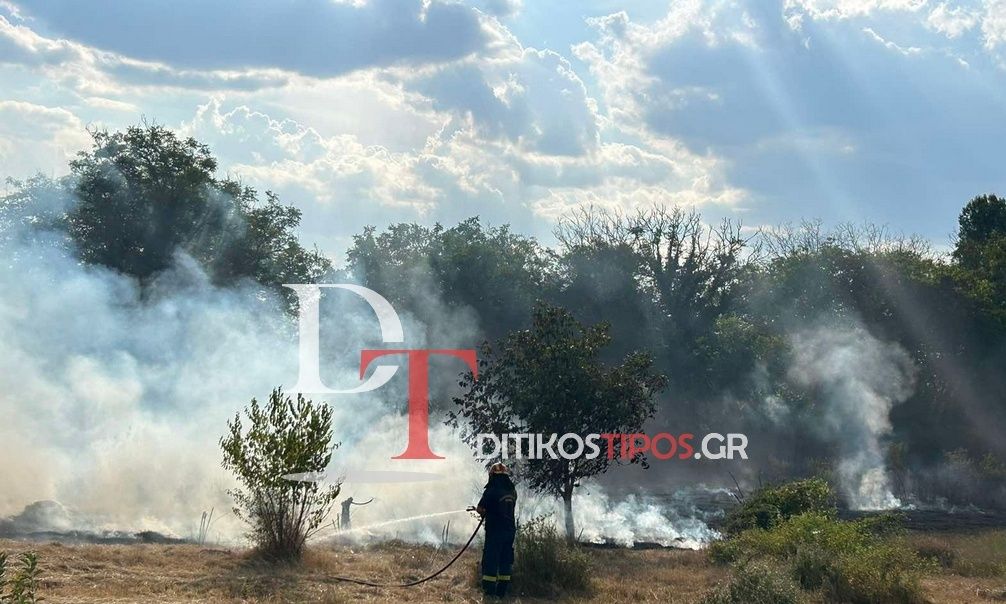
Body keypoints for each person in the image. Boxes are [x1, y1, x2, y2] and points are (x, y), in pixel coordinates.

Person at [475, 463, 517, 598]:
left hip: (495, 531)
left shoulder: (491, 489)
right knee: (505, 560)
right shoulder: (512, 490)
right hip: (510, 531)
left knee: (491, 560)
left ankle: (489, 593)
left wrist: (482, 511)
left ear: (492, 475)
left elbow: (481, 508)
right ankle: (501, 593)